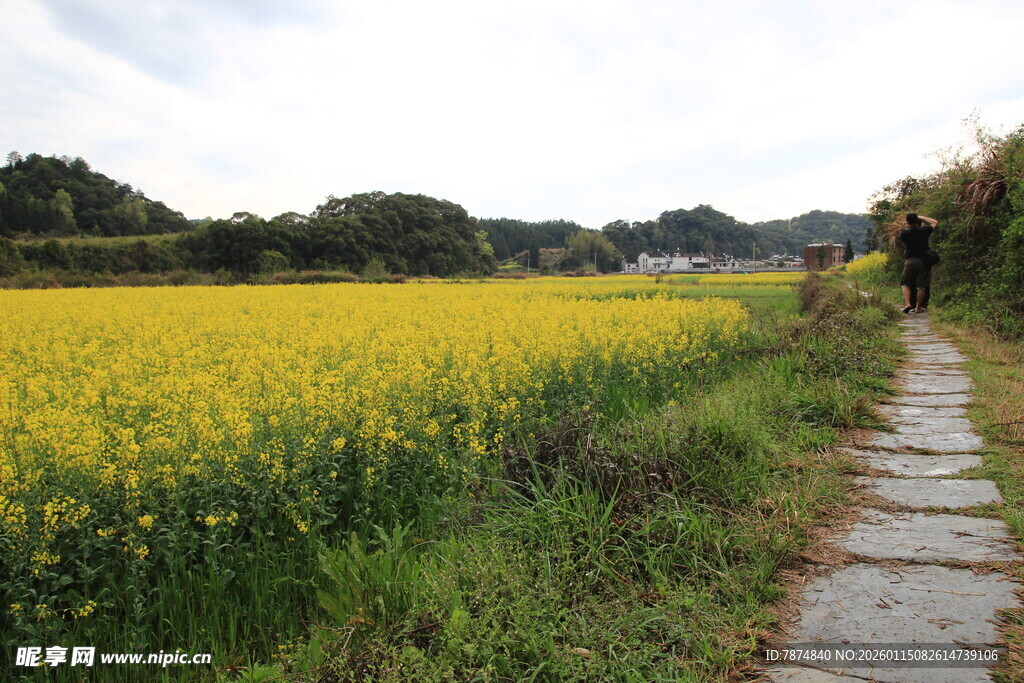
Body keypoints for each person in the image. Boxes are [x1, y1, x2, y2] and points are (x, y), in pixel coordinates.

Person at [899, 213, 938, 314]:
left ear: (907, 222)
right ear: (917, 221)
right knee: (922, 285)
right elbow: (935, 222)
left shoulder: (905, 233)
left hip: (910, 260)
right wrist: (921, 217)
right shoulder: (924, 230)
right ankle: (918, 307)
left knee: (905, 283)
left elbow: (903, 241)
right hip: (924, 260)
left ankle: (908, 303)